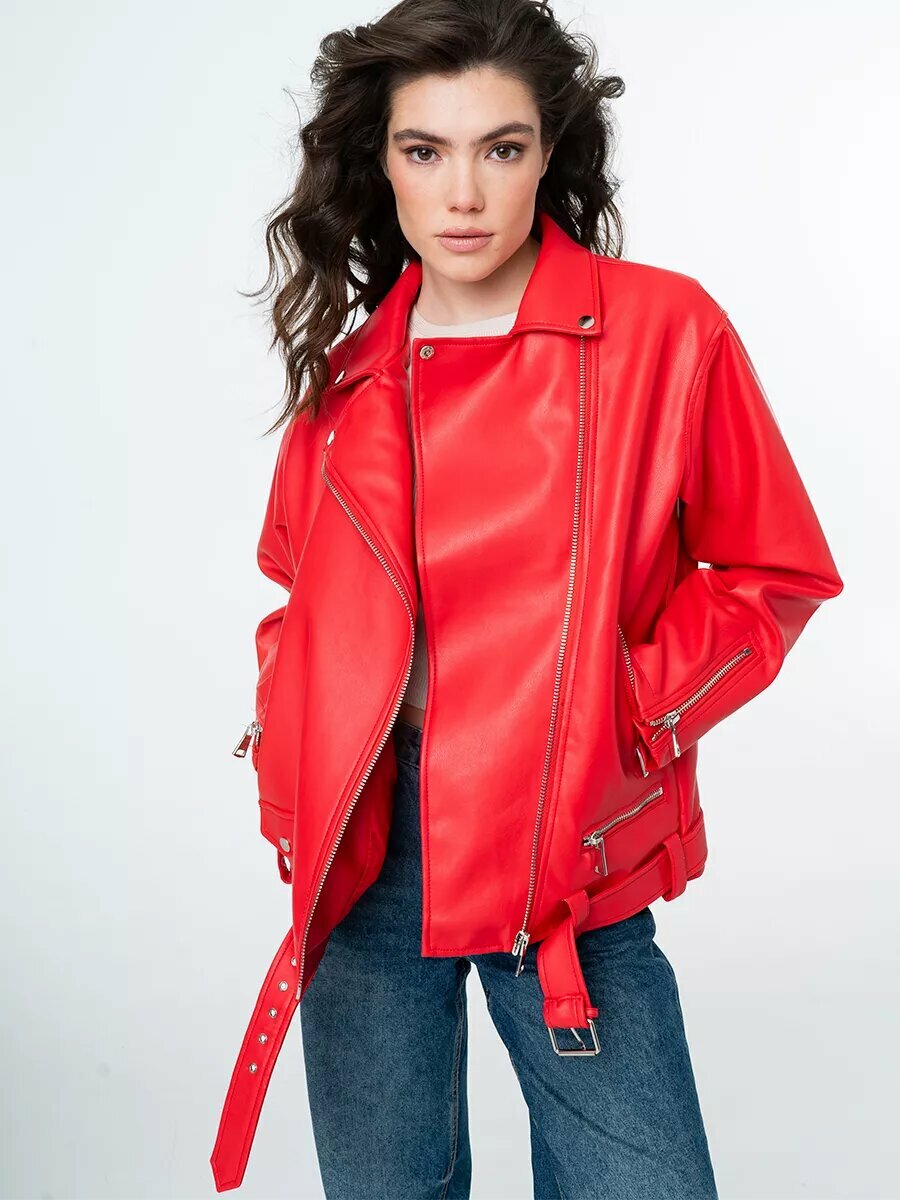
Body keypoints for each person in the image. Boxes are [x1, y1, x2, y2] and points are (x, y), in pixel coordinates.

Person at [210, 1, 844, 1196]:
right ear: (382, 163)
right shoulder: (351, 374)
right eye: (425, 150)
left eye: (500, 148)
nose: (464, 194)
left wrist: (626, 715)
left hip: (565, 849)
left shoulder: (666, 332)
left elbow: (776, 574)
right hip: (367, 840)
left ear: (548, 152)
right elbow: (297, 587)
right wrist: (294, 725)